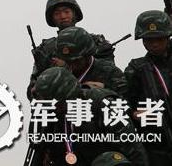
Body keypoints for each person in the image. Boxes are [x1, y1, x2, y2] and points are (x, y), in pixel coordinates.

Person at [30, 67, 148, 165]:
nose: (53, 108)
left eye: (57, 104)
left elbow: (135, 152)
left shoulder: (104, 105)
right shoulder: (54, 115)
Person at [29, 0, 115, 98]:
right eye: (57, 13)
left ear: (74, 14)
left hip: (92, 103)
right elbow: (32, 91)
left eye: (66, 11)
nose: (63, 16)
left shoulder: (96, 42)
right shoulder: (46, 49)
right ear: (52, 18)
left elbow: (110, 78)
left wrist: (68, 67)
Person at [124, 10, 172, 165]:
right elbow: (122, 100)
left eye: (159, 38)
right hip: (157, 146)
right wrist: (132, 113)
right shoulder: (137, 68)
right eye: (149, 40)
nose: (154, 44)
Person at [55, 26, 127, 95]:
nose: (72, 64)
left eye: (76, 60)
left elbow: (126, 102)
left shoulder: (109, 72)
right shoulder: (58, 74)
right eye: (67, 60)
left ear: (88, 54)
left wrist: (103, 90)